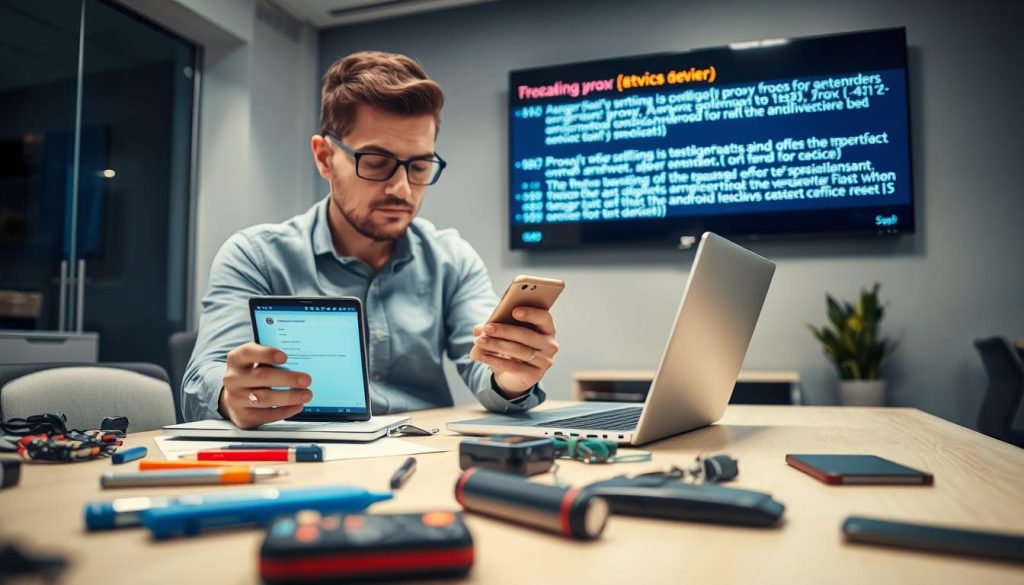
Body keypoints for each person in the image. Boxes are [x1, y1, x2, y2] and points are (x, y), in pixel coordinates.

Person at [181, 51, 558, 428]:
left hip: (423, 453)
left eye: (419, 166)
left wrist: (512, 377)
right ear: (325, 157)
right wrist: (231, 396)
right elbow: (202, 381)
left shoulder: (452, 259)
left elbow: (488, 370)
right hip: (306, 452)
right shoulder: (255, 256)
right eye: (376, 163)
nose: (402, 189)